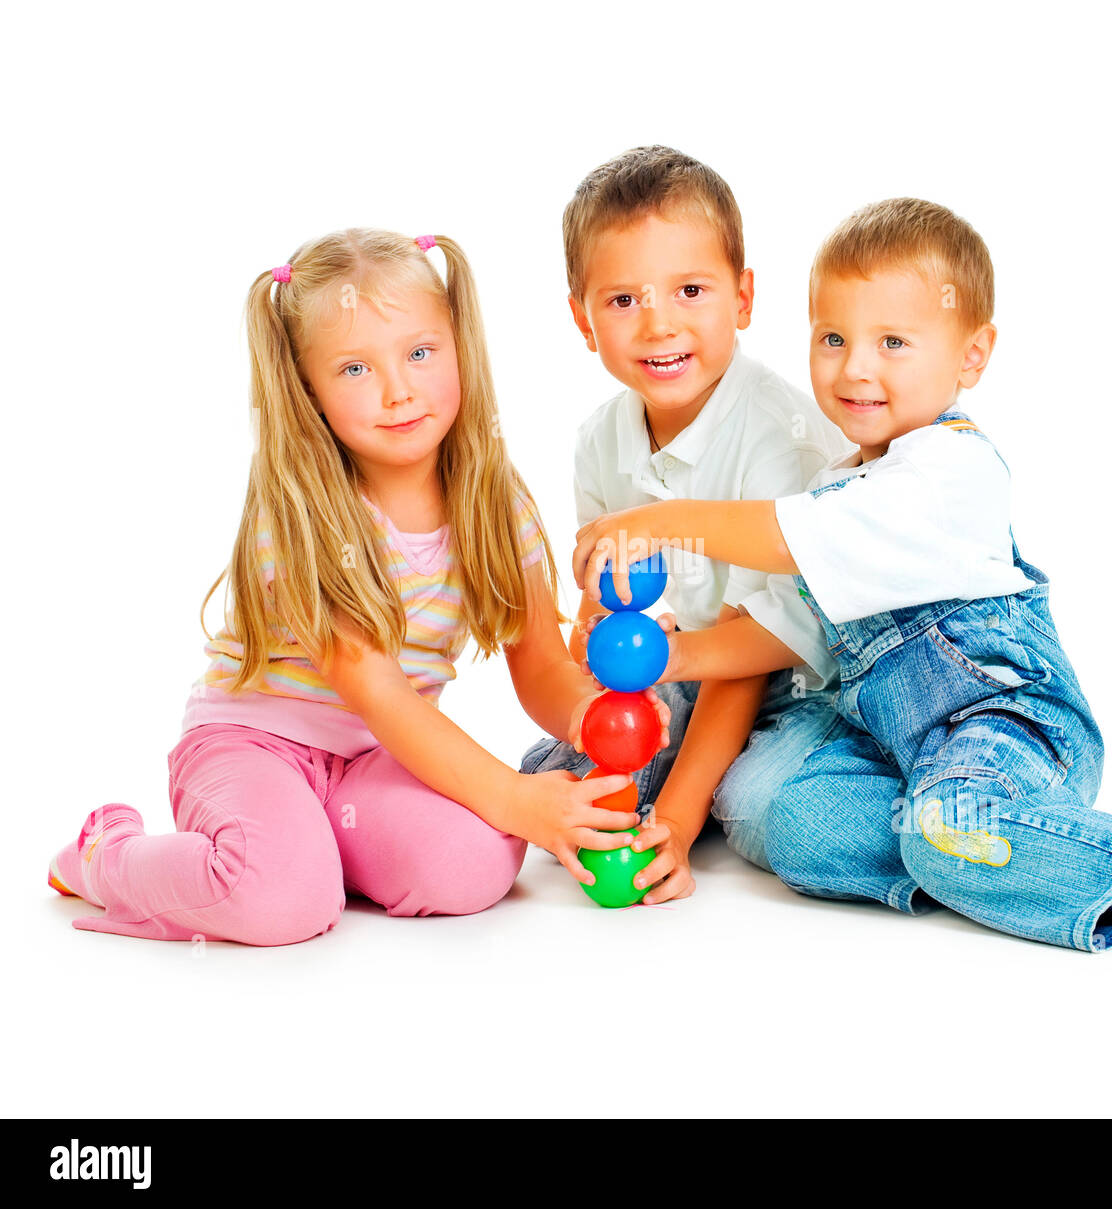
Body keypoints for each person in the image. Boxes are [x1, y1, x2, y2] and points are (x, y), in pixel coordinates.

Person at [573, 199, 1112, 970]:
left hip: (1006, 722)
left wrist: (665, 523)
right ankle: (989, 843)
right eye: (833, 339)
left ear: (972, 356)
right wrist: (667, 656)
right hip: (898, 744)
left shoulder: (949, 469)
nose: (855, 368)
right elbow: (782, 622)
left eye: (893, 342)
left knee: (939, 819)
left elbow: (783, 535)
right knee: (791, 825)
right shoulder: (844, 471)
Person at [48, 227, 667, 946]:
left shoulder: (496, 500)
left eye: (420, 352)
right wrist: (513, 794)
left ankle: (311, 845)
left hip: (373, 759)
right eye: (354, 369)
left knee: (481, 860)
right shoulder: (305, 517)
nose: (399, 390)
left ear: (457, 346)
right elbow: (380, 692)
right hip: (254, 744)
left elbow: (539, 665)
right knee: (281, 904)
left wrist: (595, 718)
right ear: (308, 388)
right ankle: (108, 855)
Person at [520, 146, 851, 904]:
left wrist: (673, 817)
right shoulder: (600, 439)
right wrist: (599, 634)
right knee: (554, 784)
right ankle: (687, 769)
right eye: (623, 300)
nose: (658, 323)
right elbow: (617, 613)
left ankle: (727, 786)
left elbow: (759, 651)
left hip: (798, 684)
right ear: (582, 319)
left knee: (758, 808)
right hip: (690, 668)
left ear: (743, 297)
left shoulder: (779, 437)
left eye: (690, 289)